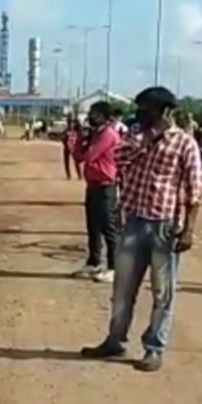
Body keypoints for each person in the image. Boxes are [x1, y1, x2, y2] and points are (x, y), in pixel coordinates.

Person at [80, 86, 202, 373]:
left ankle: (154, 348)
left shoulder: (185, 143)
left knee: (163, 294)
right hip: (133, 222)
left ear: (164, 111)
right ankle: (115, 340)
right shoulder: (135, 138)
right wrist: (145, 138)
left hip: (165, 227)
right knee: (122, 289)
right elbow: (117, 159)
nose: (141, 114)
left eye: (146, 109)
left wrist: (189, 230)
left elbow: (195, 190)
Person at [71, 100, 121, 283]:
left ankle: (114, 266)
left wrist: (85, 142)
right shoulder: (95, 134)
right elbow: (78, 156)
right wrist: (78, 137)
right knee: (93, 227)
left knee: (109, 228)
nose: (90, 117)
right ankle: (93, 262)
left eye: (94, 114)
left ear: (103, 117)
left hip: (105, 185)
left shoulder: (107, 135)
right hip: (93, 185)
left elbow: (89, 156)